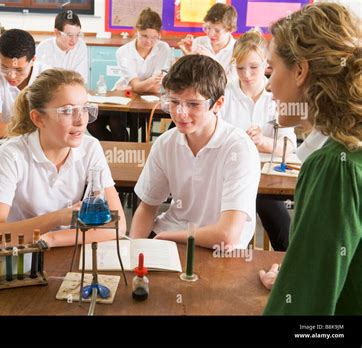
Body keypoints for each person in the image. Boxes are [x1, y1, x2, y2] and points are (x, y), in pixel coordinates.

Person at [259, 3, 361, 314]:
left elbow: (306, 312)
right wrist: (294, 279)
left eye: (271, 69)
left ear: (300, 71)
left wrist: (297, 290)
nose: (268, 85)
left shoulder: (333, 166)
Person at [0, 69, 126, 247]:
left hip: (65, 247)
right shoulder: (11, 155)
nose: (80, 120)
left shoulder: (90, 148)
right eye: (67, 110)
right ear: (39, 119)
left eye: (85, 108)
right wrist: (58, 217)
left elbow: (117, 225)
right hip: (19, 255)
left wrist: (51, 240)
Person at [129, 54, 261, 250]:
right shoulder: (166, 143)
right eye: (174, 102)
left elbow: (228, 235)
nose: (181, 113)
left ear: (218, 104)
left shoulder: (239, 148)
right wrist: (134, 249)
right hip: (172, 233)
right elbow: (147, 208)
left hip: (219, 248)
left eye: (193, 104)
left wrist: (169, 237)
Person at [220, 29, 297, 251]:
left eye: (253, 67)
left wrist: (263, 142)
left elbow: (288, 147)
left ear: (266, 64)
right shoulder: (225, 94)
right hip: (230, 173)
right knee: (227, 232)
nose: (246, 75)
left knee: (277, 218)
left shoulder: (277, 94)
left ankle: (286, 266)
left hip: (266, 175)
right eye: (240, 68)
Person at [87, 8, 172, 141]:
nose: (149, 41)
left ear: (159, 35)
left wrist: (135, 87)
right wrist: (143, 84)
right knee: (92, 123)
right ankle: (120, 151)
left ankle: (125, 151)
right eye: (144, 35)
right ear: (136, 31)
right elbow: (142, 84)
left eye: (154, 37)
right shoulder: (123, 52)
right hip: (123, 97)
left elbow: (155, 87)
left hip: (145, 100)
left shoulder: (163, 48)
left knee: (116, 122)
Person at [0, 29, 47, 139]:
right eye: (5, 68)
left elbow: (52, 129)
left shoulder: (46, 76)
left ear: (33, 60)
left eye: (19, 70)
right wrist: (35, 129)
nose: (11, 76)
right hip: (5, 146)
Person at [178, 3, 238, 82]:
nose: (210, 34)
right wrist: (188, 57)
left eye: (217, 30)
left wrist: (211, 60)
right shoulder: (198, 42)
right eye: (208, 28)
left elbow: (231, 82)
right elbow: (187, 78)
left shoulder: (238, 49)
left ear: (230, 30)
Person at [36, 11, 88, 82]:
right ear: (57, 33)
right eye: (69, 35)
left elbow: (81, 79)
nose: (74, 40)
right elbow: (40, 80)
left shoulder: (80, 45)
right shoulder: (44, 48)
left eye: (77, 35)